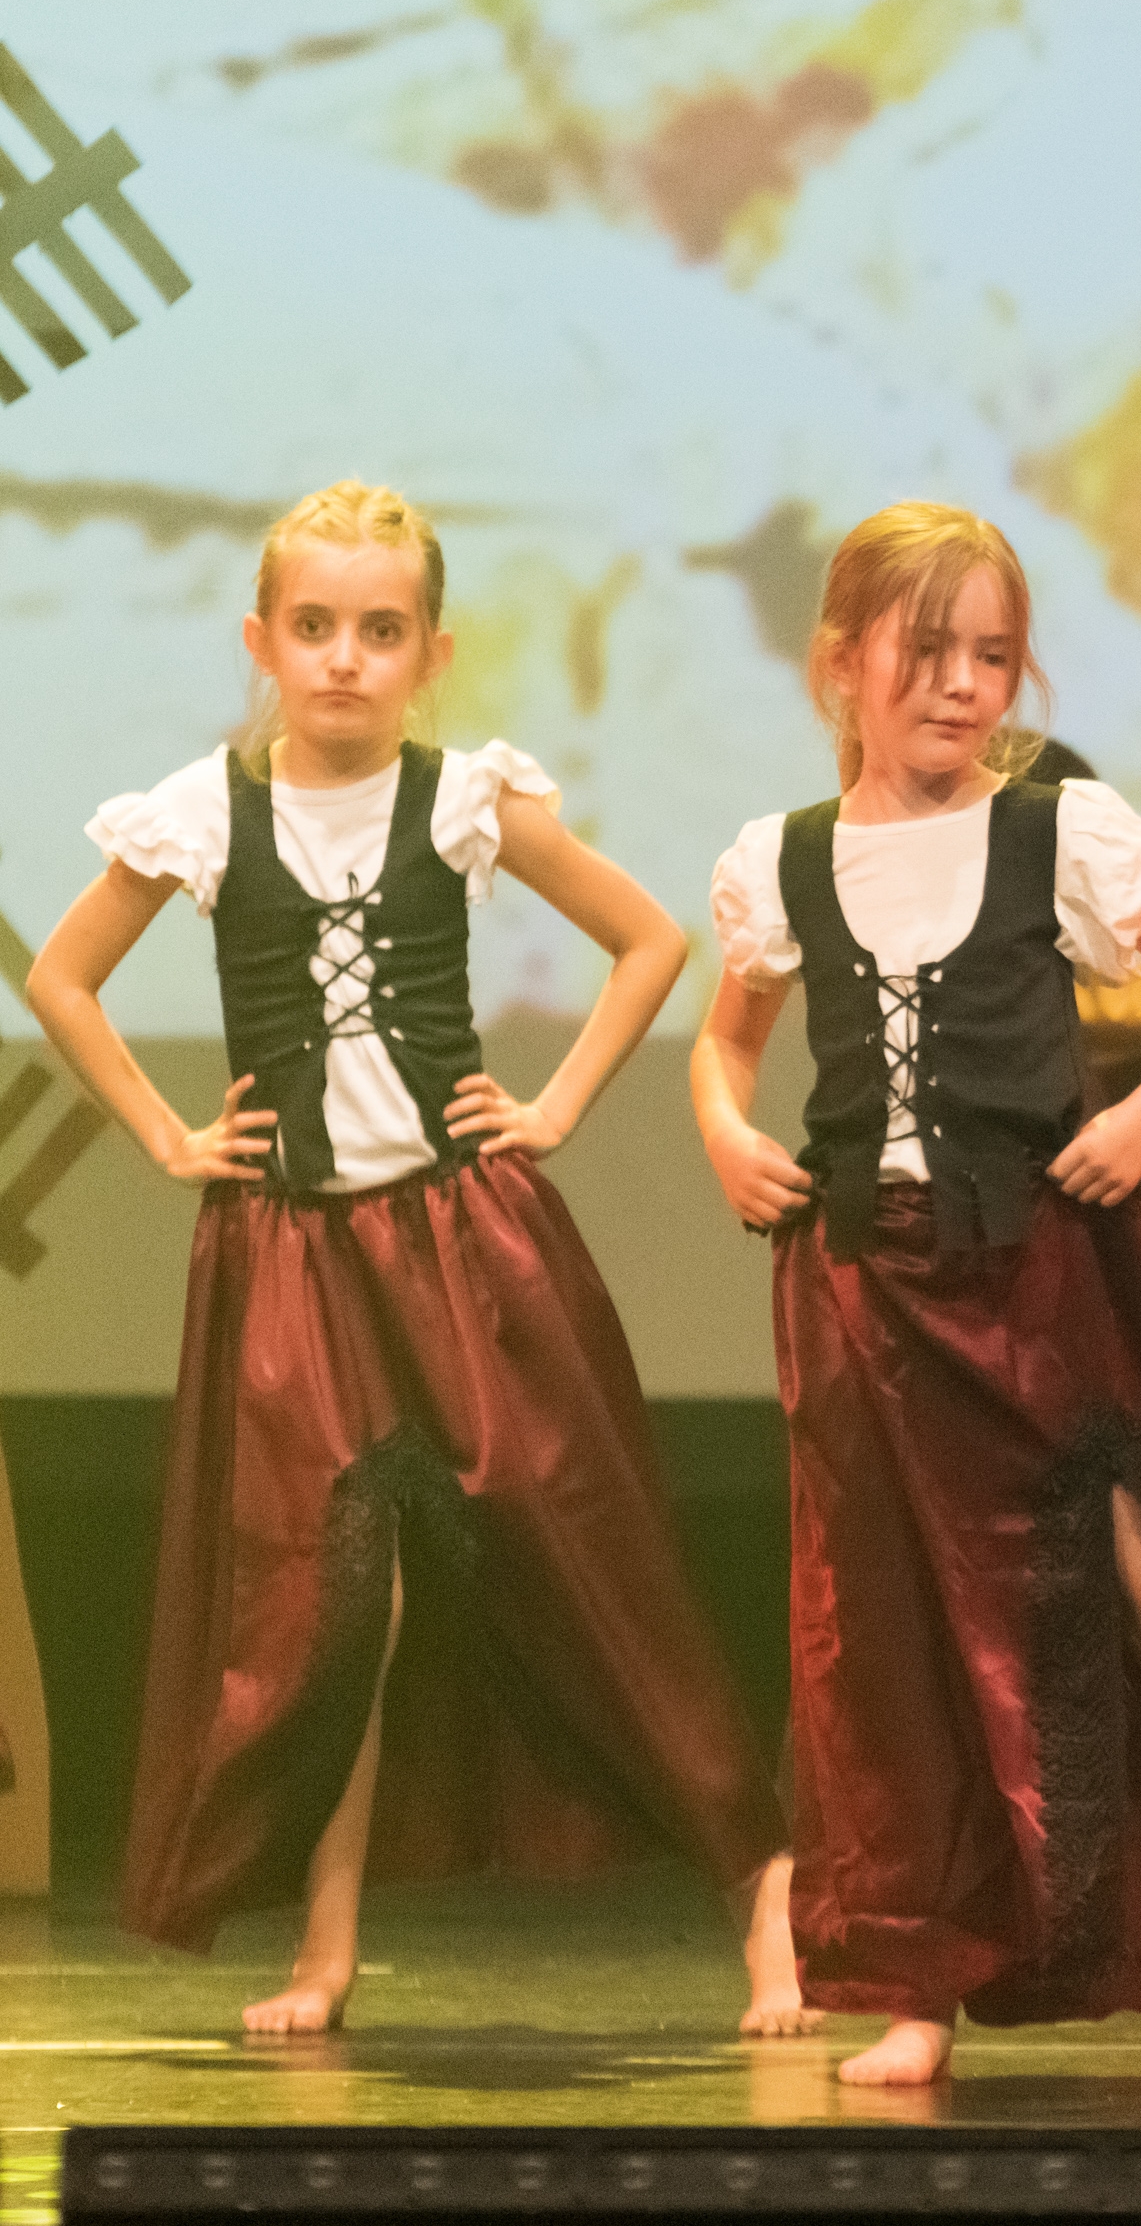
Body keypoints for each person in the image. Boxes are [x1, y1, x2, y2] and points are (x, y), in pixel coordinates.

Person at [26, 480, 797, 2037]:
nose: (344, 657)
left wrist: (554, 1106)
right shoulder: (206, 809)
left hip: (461, 1240)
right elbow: (60, 974)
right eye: (313, 626)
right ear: (261, 640)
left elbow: (651, 939)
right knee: (333, 1612)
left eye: (380, 631)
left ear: (431, 653)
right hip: (292, 1258)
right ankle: (325, 1945)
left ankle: (762, 1883)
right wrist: (171, 1135)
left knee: (581, 1557)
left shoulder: (460, 801)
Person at [687, 501, 1141, 2087]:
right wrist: (725, 1133)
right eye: (927, 650)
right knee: (898, 1646)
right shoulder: (788, 860)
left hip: (1032, 1276)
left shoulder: (1052, 834)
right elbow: (726, 1039)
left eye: (993, 654)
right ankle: (922, 1982)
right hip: (865, 1289)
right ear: (840, 665)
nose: (964, 684)